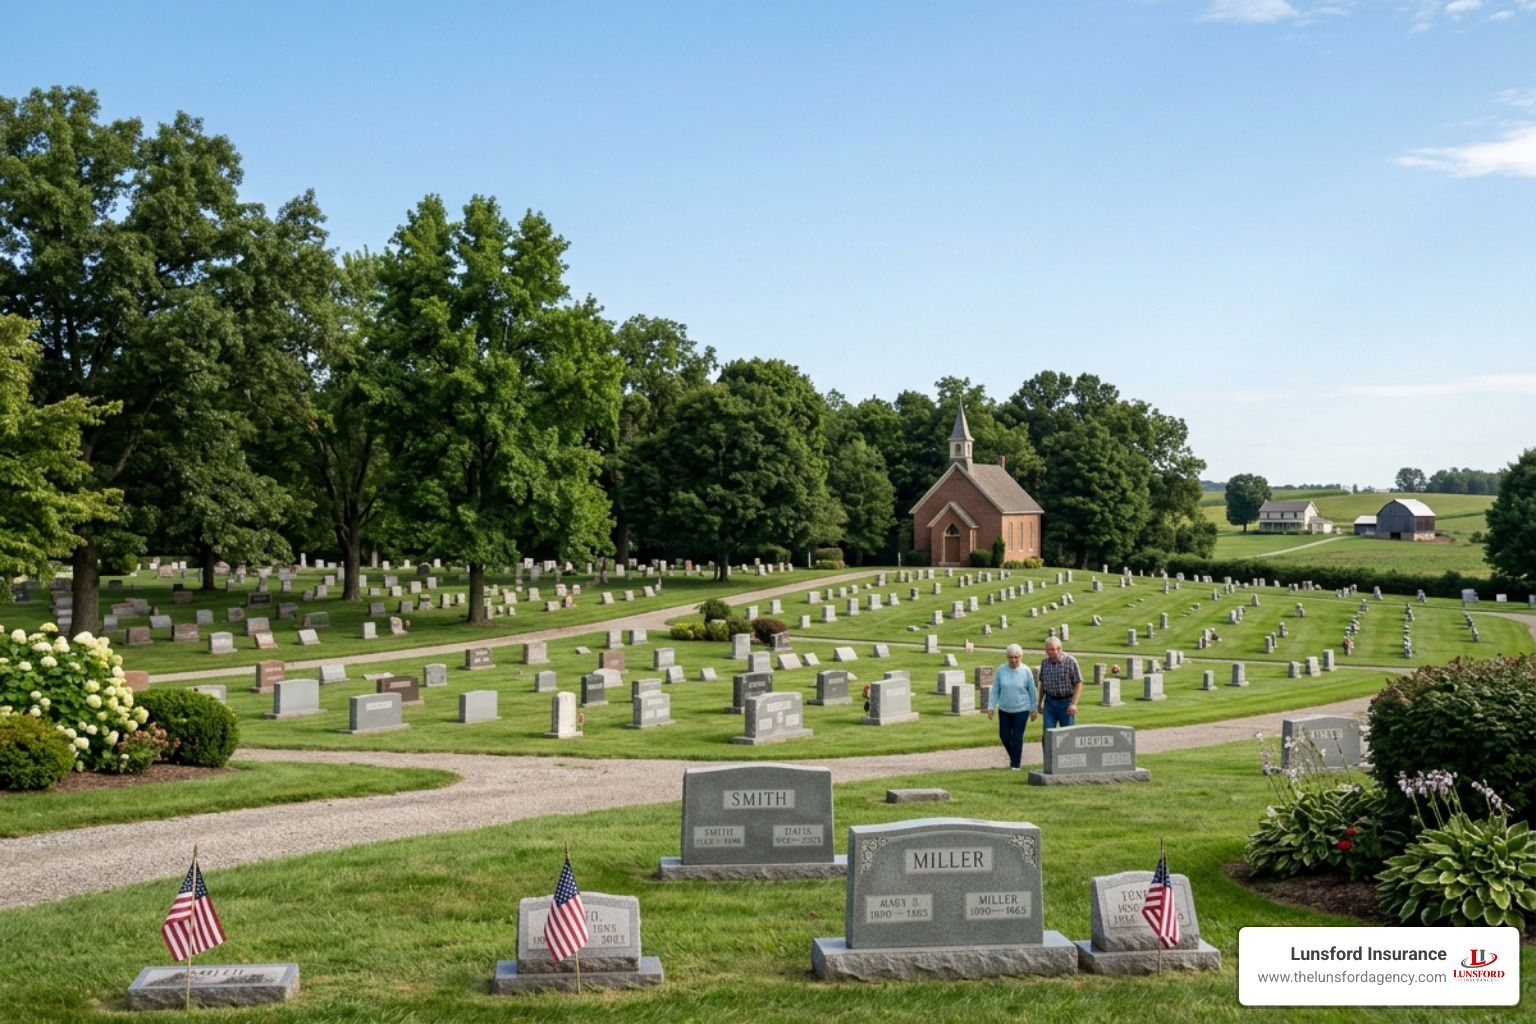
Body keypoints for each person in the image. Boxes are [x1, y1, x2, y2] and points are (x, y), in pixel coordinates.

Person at [987, 643, 1038, 771]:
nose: (1014, 660)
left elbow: (1032, 691)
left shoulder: (1026, 671)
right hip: (1004, 709)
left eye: (1016, 657)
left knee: (1016, 736)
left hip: (1022, 709)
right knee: (1004, 735)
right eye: (1011, 657)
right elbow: (996, 690)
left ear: (1021, 656)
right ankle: (1014, 756)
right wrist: (991, 706)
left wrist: (1033, 708)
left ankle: (1015, 765)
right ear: (1007, 657)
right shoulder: (1001, 670)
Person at [1037, 636, 1082, 730]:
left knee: (1067, 732)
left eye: (1053, 649)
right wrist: (1040, 702)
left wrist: (1073, 704)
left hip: (1066, 702)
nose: (1050, 652)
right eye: (1048, 649)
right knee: (1048, 731)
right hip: (1049, 702)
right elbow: (1043, 684)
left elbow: (1078, 683)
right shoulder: (1044, 663)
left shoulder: (1070, 661)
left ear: (1060, 649)